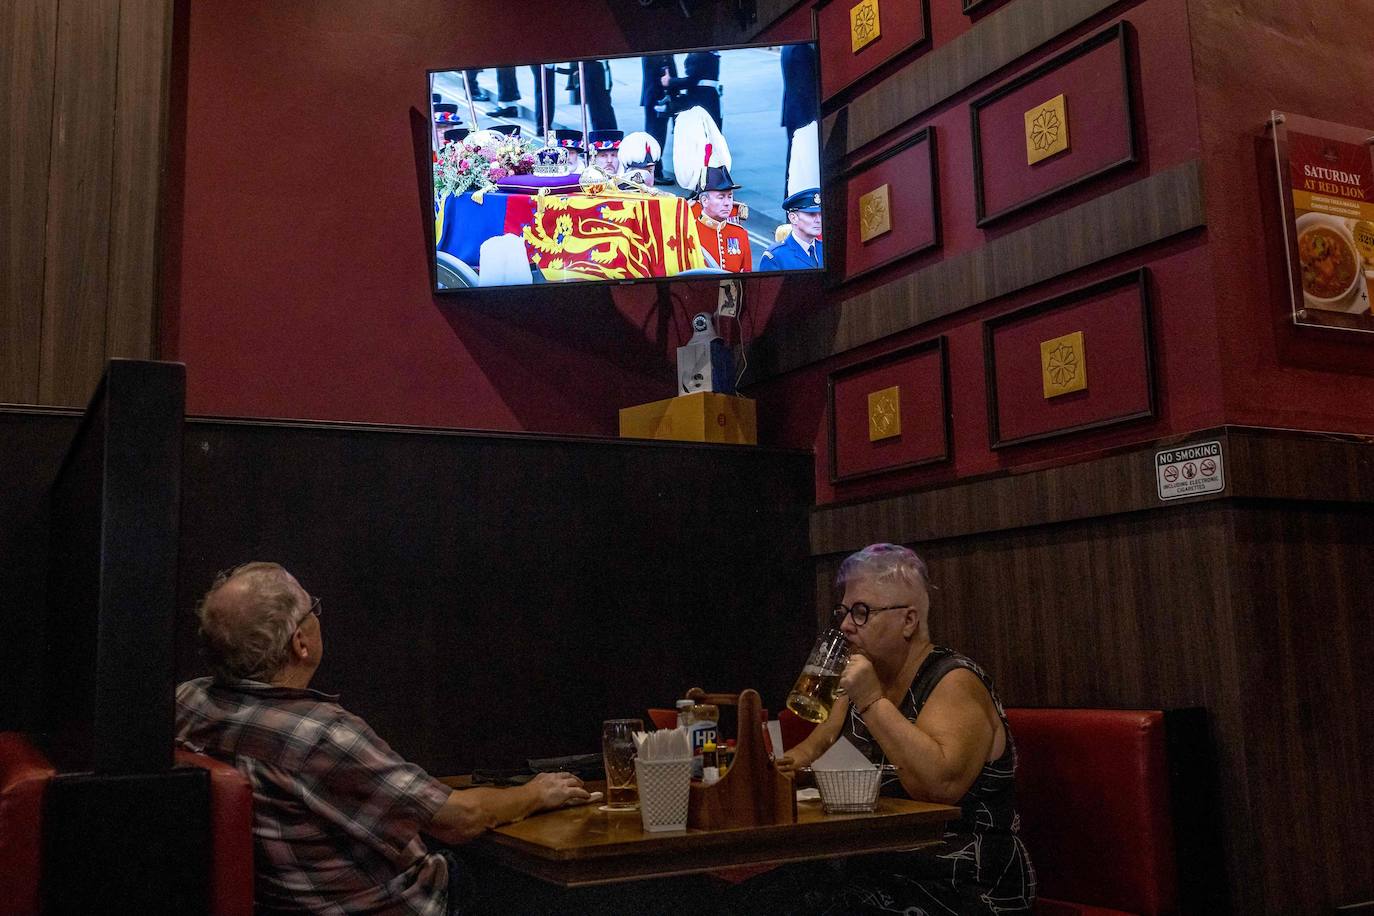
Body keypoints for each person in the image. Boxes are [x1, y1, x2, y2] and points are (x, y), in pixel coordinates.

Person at [174, 562, 590, 915]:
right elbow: (460, 819)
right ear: (300, 642)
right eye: (312, 609)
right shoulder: (320, 734)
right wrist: (538, 793)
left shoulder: (187, 702)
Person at [745, 544, 1036, 915]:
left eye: (862, 612)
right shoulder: (863, 676)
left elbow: (938, 787)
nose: (846, 625)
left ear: (909, 621)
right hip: (868, 869)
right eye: (844, 612)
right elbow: (819, 743)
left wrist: (872, 702)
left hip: (954, 884)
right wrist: (783, 767)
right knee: (733, 902)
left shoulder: (954, 682)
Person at [779, 44, 819, 197]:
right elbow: (807, 88)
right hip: (804, 116)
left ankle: (792, 200)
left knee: (795, 163)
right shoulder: (802, 49)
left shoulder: (788, 48)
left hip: (793, 113)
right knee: (804, 165)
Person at [757, 188, 823, 272]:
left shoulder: (825, 249)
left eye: (820, 214)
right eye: (811, 214)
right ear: (793, 218)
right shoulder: (775, 256)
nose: (818, 220)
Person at [662, 50, 723, 129]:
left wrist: (670, 82)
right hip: (710, 97)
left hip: (701, 99)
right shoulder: (711, 54)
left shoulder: (701, 55)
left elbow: (691, 81)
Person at [640, 53, 678, 181]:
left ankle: (654, 170)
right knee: (656, 137)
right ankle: (653, 172)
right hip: (657, 99)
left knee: (658, 136)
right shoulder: (656, 55)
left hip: (658, 98)